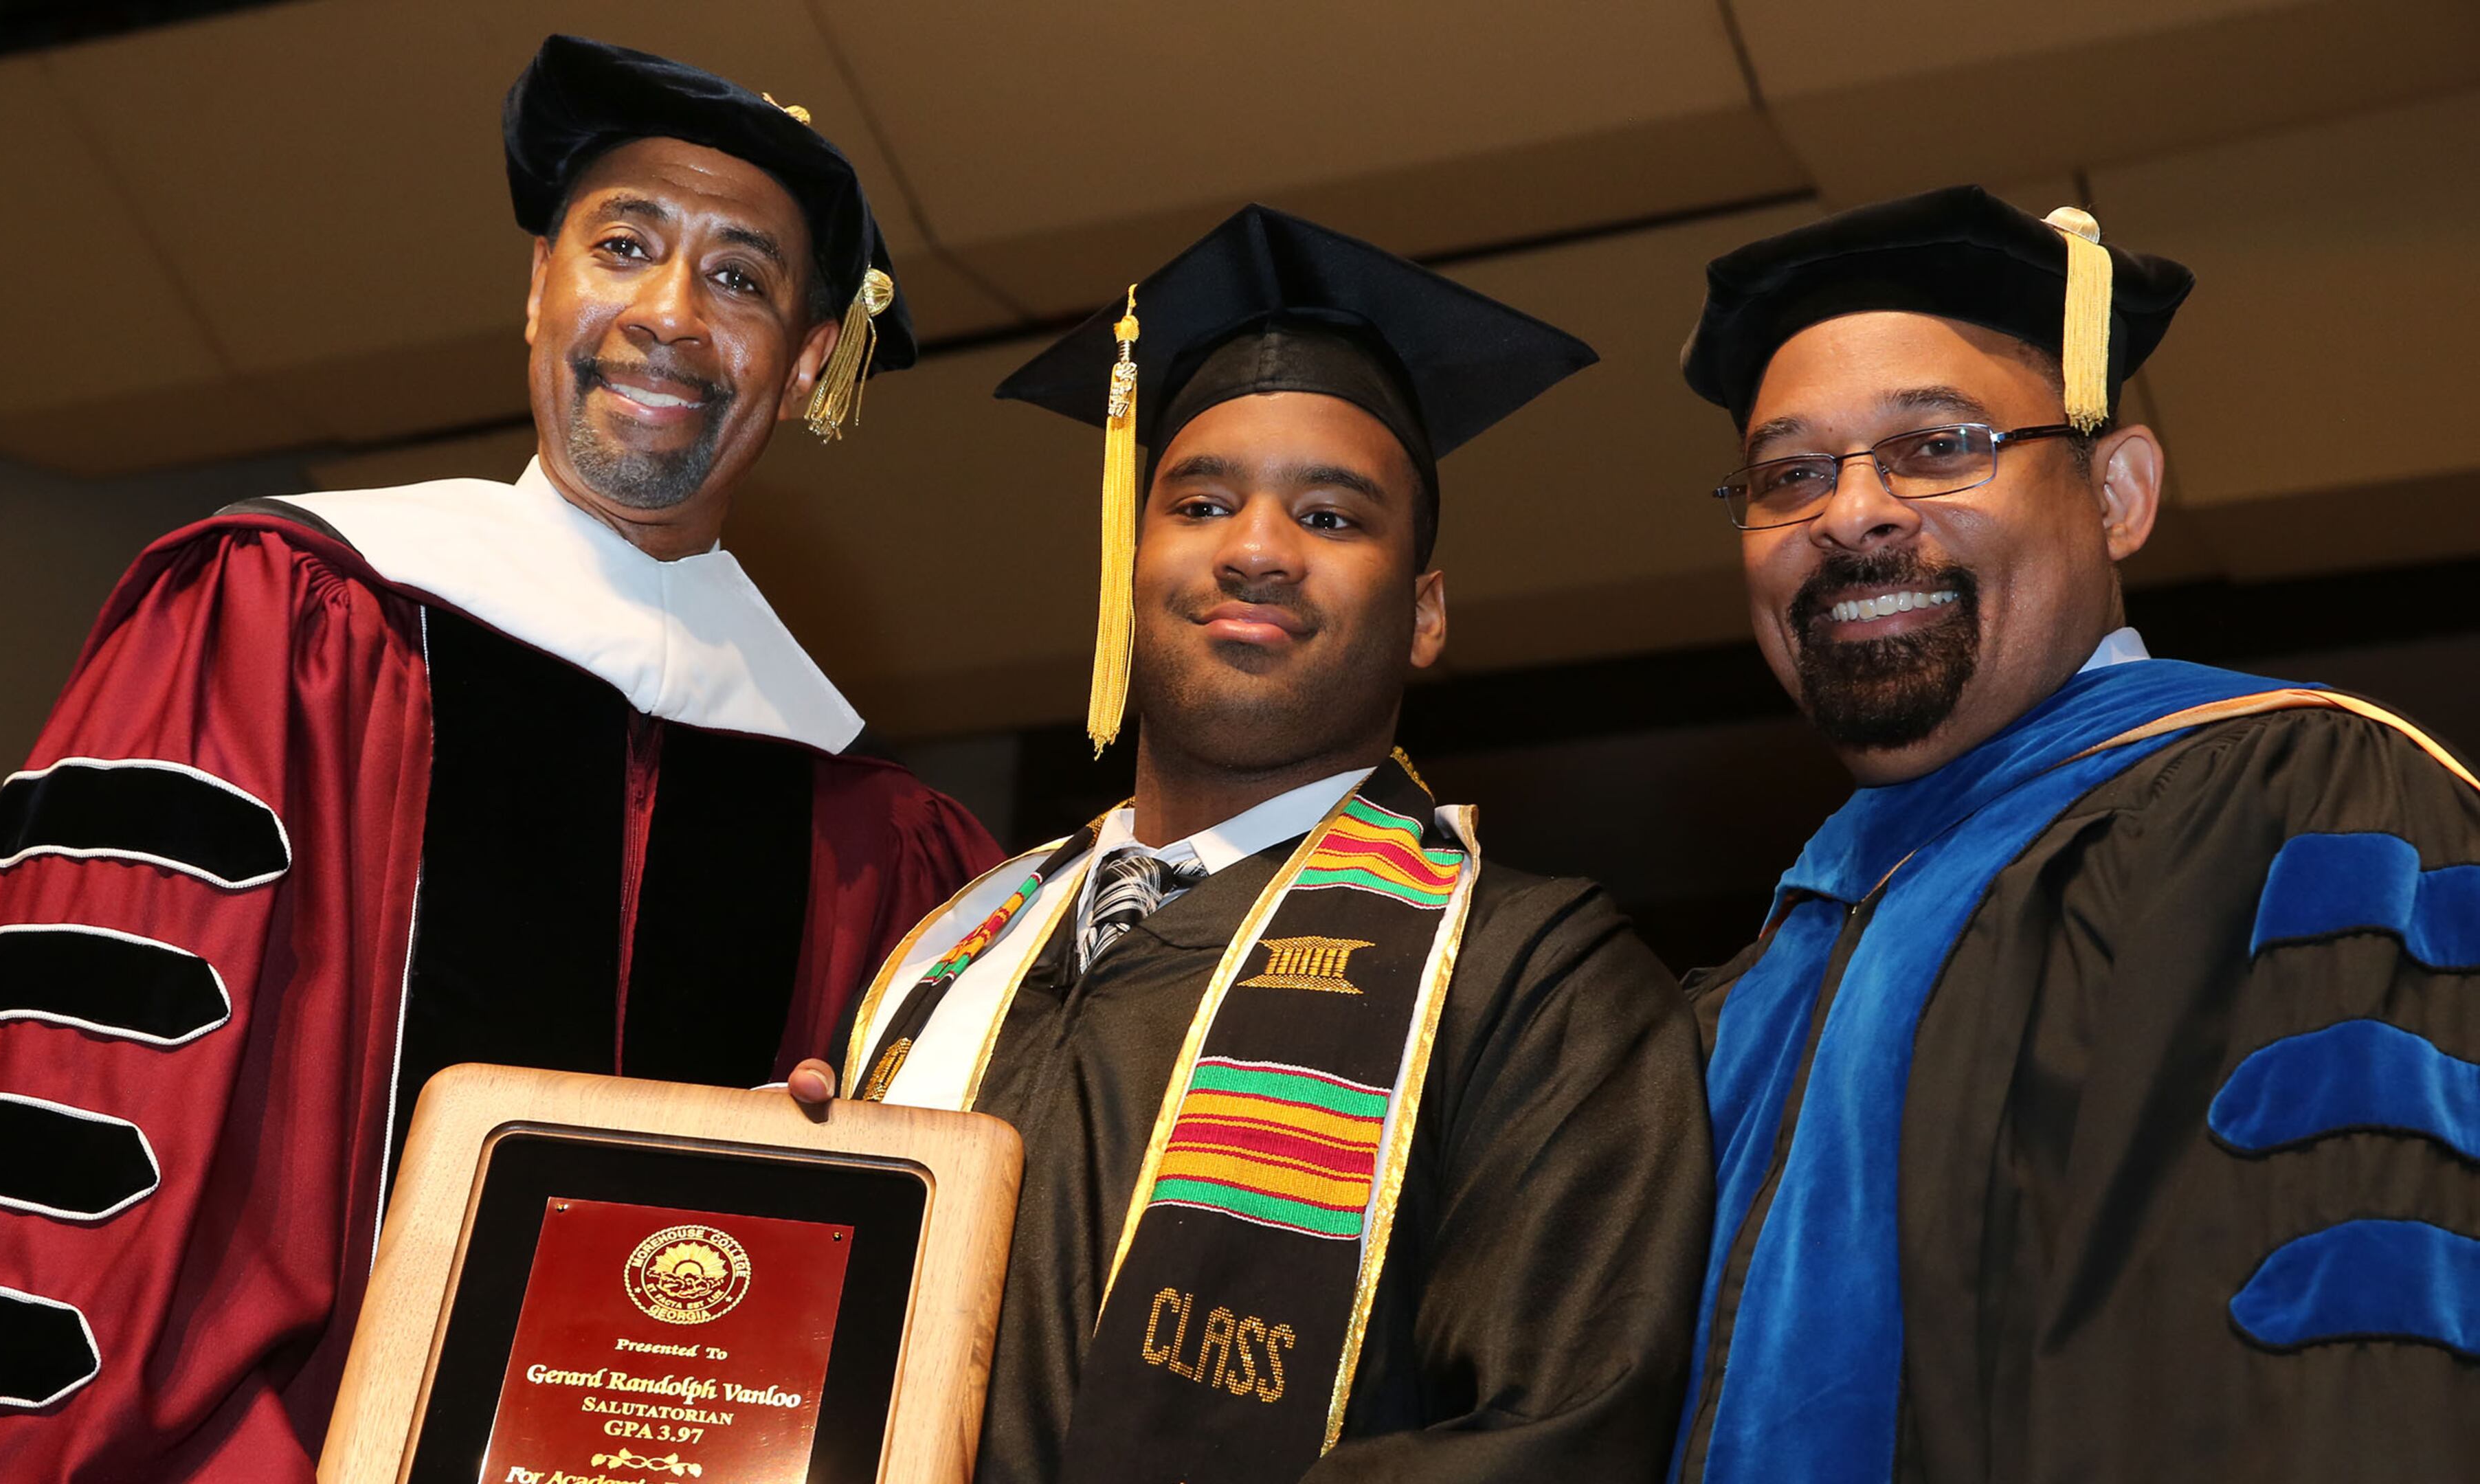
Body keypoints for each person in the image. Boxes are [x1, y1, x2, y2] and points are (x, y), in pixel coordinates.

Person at [0, 35, 998, 1481]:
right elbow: (66, 1121)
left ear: (810, 360)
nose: (667, 317)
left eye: (743, 280)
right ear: (538, 290)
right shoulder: (275, 621)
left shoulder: (875, 836)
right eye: (622, 244)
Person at [790, 205, 1712, 1484]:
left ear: (1426, 615)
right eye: (1203, 502)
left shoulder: (1533, 982)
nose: (1259, 551)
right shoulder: (949, 957)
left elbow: (1561, 1440)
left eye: (1333, 519)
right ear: (1131, 562)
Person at [1667, 184, 2480, 1483]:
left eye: (1938, 446)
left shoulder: (2291, 802)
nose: (1854, 513)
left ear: (2118, 493)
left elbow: (2361, 1348)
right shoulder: (1761, 975)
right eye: (1790, 475)